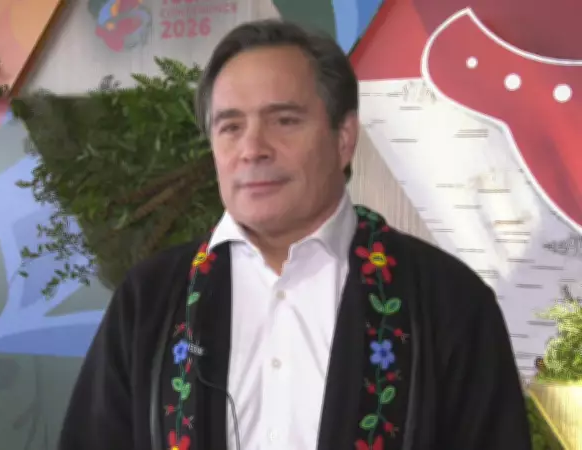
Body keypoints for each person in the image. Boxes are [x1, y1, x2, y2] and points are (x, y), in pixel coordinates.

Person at [58, 19, 531, 450]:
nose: (252, 148)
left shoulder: (446, 300)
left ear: (343, 138)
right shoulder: (151, 300)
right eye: (230, 126)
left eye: (284, 121)